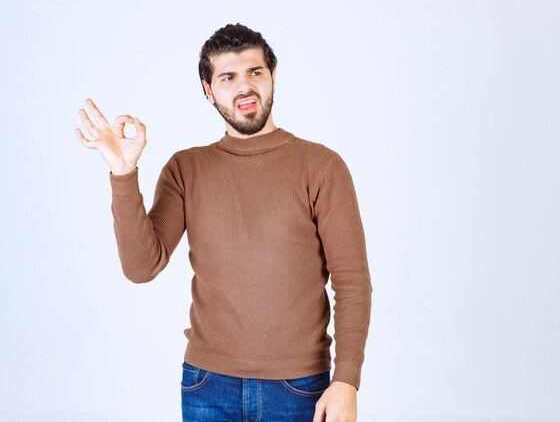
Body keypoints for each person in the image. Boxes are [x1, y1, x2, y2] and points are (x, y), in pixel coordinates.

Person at [75, 22, 372, 422]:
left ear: (273, 78)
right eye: (227, 77)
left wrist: (347, 381)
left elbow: (352, 282)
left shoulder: (321, 166)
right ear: (208, 89)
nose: (244, 87)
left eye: (255, 72)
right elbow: (141, 267)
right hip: (207, 384)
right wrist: (124, 174)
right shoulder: (186, 168)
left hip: (301, 387)